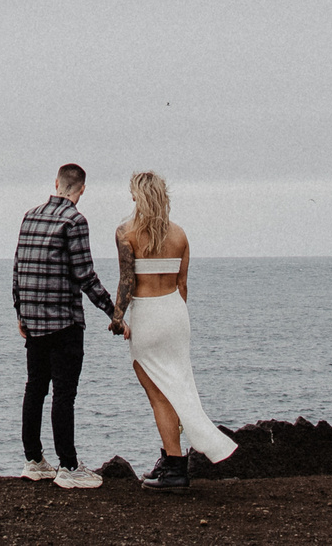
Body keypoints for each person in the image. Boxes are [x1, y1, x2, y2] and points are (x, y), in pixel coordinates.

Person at [114, 170, 237, 492]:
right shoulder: (180, 235)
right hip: (176, 316)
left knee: (159, 395)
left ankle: (175, 468)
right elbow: (182, 286)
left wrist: (118, 319)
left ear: (137, 197)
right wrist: (173, 317)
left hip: (148, 316)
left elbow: (127, 281)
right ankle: (172, 462)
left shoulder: (126, 232)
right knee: (179, 386)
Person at [13, 163, 124, 488]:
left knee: (35, 388)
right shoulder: (74, 220)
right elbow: (85, 276)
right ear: (82, 189)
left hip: (33, 321)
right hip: (64, 322)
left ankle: (33, 461)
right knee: (64, 394)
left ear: (57, 183)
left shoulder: (30, 215)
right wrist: (114, 313)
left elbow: (17, 268)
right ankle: (69, 467)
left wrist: (20, 312)